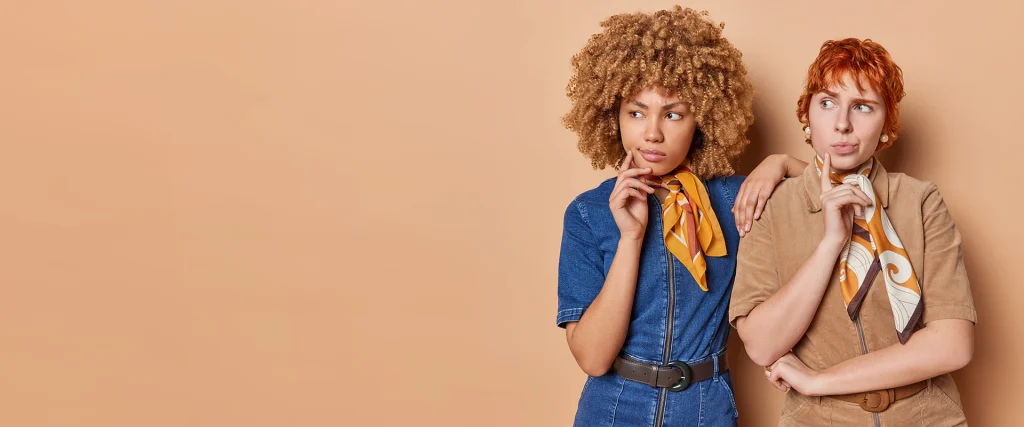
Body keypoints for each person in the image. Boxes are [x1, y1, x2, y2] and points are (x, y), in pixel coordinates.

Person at [556, 6, 800, 426]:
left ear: (701, 119)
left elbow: (837, 195)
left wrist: (781, 163)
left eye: (673, 114)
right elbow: (594, 359)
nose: (653, 133)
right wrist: (630, 238)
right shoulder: (588, 213)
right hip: (613, 407)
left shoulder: (734, 199)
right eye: (636, 112)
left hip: (705, 408)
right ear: (613, 117)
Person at [729, 38, 976, 426]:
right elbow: (762, 345)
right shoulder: (770, 206)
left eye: (863, 106)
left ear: (886, 125)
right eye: (828, 103)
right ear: (807, 114)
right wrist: (831, 244)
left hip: (927, 416)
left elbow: (952, 344)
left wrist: (818, 380)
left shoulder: (920, 201)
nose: (842, 123)